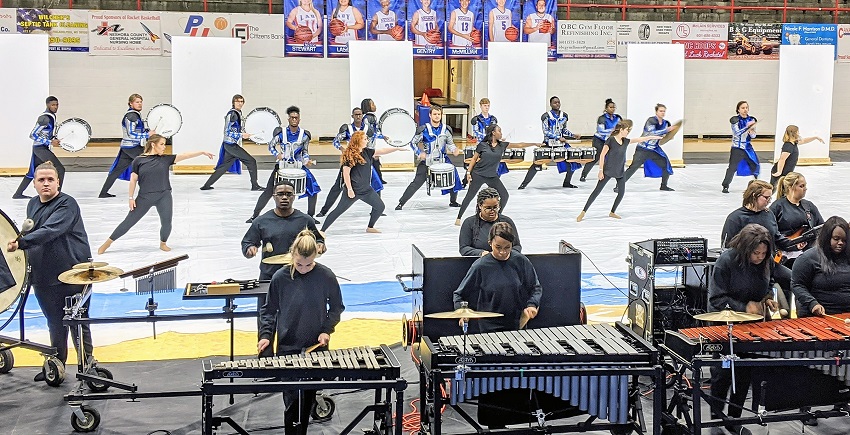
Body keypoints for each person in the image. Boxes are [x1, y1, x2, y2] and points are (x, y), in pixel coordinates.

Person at [6, 162, 95, 380]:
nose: (46, 183)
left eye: (50, 180)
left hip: (73, 273)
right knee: (54, 322)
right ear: (34, 184)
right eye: (41, 180)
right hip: (44, 275)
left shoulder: (67, 204)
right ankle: (57, 364)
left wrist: (22, 243)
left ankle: (89, 368)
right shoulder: (33, 204)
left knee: (78, 322)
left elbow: (51, 230)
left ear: (58, 182)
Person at [257, 230, 344, 435]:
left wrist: (326, 331)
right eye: (299, 264)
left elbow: (337, 307)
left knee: (306, 399)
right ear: (292, 255)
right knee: (291, 402)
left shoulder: (325, 275)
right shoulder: (280, 277)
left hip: (315, 346)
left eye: (309, 264)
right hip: (287, 345)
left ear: (315, 258)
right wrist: (266, 336)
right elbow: (268, 310)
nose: (304, 269)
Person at [242, 180, 325, 357]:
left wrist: (320, 245)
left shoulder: (305, 220)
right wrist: (250, 249)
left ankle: (295, 358)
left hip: (299, 277)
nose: (285, 197)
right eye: (281, 194)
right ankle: (266, 360)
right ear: (274, 196)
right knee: (267, 319)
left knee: (298, 319)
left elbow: (318, 239)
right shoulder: (262, 221)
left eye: (288, 194)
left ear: (294, 197)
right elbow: (247, 241)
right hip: (269, 277)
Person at [706, 223, 778, 431]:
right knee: (723, 374)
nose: (760, 257)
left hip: (753, 326)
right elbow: (716, 299)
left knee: (745, 372)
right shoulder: (726, 261)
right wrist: (744, 307)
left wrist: (768, 298)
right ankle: (716, 419)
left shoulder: (766, 261)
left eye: (764, 253)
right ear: (746, 249)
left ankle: (734, 419)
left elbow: (770, 281)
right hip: (725, 325)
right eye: (756, 253)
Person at [98, 135, 214, 254]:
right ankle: (107, 243)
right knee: (129, 222)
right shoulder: (139, 160)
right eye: (162, 144)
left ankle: (163, 243)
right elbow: (133, 180)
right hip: (144, 197)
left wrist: (201, 152)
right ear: (153, 144)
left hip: (164, 196)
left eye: (165, 144)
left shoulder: (165, 159)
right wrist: (131, 198)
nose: (164, 147)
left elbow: (185, 155)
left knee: (166, 222)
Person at [721, 179, 801, 312]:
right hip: (745, 267)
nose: (769, 202)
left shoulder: (768, 214)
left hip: (769, 264)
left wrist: (795, 244)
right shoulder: (735, 218)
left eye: (770, 198)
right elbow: (728, 250)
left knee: (797, 281)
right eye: (766, 198)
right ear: (754, 196)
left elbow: (777, 238)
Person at [576, 120, 661, 221]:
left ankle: (612, 212)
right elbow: (602, 155)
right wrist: (600, 170)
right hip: (608, 170)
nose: (627, 132)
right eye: (626, 130)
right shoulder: (611, 140)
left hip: (620, 172)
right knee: (596, 191)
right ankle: (583, 212)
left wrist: (652, 137)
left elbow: (639, 139)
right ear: (621, 130)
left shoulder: (625, 141)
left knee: (621, 193)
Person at [248, 106, 320, 223]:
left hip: (298, 165)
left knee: (313, 189)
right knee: (268, 191)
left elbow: (305, 152)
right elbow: (271, 146)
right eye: (292, 117)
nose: (294, 120)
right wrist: (277, 154)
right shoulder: (281, 134)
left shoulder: (304, 135)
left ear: (299, 119)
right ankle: (255, 216)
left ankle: (310, 216)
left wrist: (306, 160)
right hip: (282, 165)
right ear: (288, 119)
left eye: (296, 118)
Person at [321, 131, 402, 233]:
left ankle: (370, 227)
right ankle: (322, 230)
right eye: (365, 139)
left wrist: (397, 148)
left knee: (380, 206)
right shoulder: (349, 155)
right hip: (353, 191)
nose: (367, 140)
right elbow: (346, 173)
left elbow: (382, 150)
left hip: (366, 190)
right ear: (358, 141)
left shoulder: (367, 152)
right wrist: (349, 189)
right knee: (338, 211)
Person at [456, 125, 535, 225]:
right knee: (470, 196)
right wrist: (468, 173)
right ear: (493, 133)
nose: (501, 133)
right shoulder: (483, 145)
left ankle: (497, 216)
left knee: (505, 195)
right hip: (478, 174)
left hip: (492, 176)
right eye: (499, 131)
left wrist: (534, 143)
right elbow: (474, 159)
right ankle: (459, 218)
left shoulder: (502, 145)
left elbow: (519, 145)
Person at [317, 107, 382, 218]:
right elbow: (335, 141)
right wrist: (342, 149)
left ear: (362, 115)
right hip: (350, 160)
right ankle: (324, 210)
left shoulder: (368, 129)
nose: (358, 116)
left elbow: (372, 140)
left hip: (364, 160)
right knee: (338, 186)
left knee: (375, 182)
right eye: (356, 114)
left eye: (360, 114)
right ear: (352, 116)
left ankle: (377, 208)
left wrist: (372, 153)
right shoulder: (347, 128)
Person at [396, 106, 462, 210]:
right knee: (416, 182)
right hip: (427, 160)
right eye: (435, 114)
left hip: (443, 159)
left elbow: (450, 144)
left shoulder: (446, 130)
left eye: (439, 114)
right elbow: (413, 143)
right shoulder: (424, 129)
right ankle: (401, 203)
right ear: (430, 115)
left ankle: (453, 201)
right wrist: (419, 152)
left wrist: (454, 150)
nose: (437, 116)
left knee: (455, 178)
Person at [200, 95, 262, 192]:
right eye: (238, 101)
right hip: (231, 146)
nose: (240, 103)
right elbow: (227, 132)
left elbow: (236, 129)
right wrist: (241, 135)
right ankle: (255, 186)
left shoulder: (237, 113)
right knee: (251, 161)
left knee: (223, 167)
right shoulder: (233, 114)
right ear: (233, 102)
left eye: (242, 101)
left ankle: (206, 185)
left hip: (230, 145)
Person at [791, 216, 850, 317]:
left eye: (844, 240)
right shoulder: (808, 258)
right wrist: (812, 304)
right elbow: (797, 285)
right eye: (836, 239)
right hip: (820, 317)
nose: (840, 243)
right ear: (827, 237)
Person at [518, 96, 581, 190]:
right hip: (548, 143)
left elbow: (563, 129)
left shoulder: (564, 116)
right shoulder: (546, 116)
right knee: (537, 163)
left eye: (558, 102)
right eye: (555, 102)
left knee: (572, 161)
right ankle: (524, 184)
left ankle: (567, 182)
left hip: (561, 144)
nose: (557, 104)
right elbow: (546, 131)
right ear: (550, 104)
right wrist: (558, 137)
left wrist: (572, 135)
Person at [99, 94, 154, 198]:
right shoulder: (131, 116)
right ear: (130, 103)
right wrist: (147, 134)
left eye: (141, 102)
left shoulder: (135, 115)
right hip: (132, 148)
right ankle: (149, 192)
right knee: (147, 166)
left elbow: (137, 130)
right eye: (137, 102)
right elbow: (131, 133)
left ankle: (103, 192)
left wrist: (147, 131)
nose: (140, 104)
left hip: (128, 148)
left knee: (117, 171)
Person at [13, 97, 65, 199]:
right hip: (40, 148)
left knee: (32, 172)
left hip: (41, 147)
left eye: (57, 105)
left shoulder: (51, 117)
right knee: (60, 169)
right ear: (47, 105)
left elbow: (46, 133)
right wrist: (49, 141)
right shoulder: (44, 118)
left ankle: (17, 194)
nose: (55, 107)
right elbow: (32, 134)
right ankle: (57, 195)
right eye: (53, 105)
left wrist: (54, 139)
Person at [770, 172, 824, 269]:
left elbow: (821, 226)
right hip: (784, 254)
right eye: (801, 186)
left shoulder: (809, 206)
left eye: (805, 185)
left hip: (807, 251)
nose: (805, 189)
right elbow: (771, 231)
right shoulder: (777, 207)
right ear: (791, 187)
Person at [621, 103, 675, 191]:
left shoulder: (666, 123)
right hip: (643, 149)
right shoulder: (651, 121)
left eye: (664, 111)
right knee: (633, 167)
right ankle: (619, 186)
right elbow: (652, 132)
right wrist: (666, 130)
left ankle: (663, 185)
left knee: (665, 164)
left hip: (654, 149)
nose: (662, 113)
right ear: (656, 112)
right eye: (660, 111)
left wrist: (669, 135)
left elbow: (665, 138)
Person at [458, 187, 522, 255]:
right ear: (480, 206)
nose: (492, 211)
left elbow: (517, 246)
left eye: (495, 207)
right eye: (488, 208)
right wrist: (481, 253)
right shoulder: (469, 223)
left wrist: (505, 254)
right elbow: (464, 248)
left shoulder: (507, 221)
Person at [579, 98, 622, 182]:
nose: (612, 109)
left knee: (612, 157)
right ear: (606, 108)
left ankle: (609, 175)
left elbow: (621, 128)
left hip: (610, 140)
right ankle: (583, 175)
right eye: (610, 107)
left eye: (614, 107)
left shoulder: (617, 118)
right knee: (595, 157)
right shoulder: (602, 118)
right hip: (599, 140)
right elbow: (601, 131)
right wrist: (612, 131)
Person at [721, 101, 759, 194]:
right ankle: (725, 185)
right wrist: (747, 127)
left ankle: (755, 185)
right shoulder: (735, 120)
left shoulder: (752, 119)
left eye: (746, 107)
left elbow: (754, 135)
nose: (745, 109)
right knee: (732, 168)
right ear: (738, 109)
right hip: (737, 148)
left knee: (755, 165)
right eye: (742, 108)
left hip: (748, 147)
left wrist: (752, 133)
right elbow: (737, 133)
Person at [360, 98, 386, 184]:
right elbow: (369, 133)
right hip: (368, 146)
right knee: (372, 164)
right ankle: (376, 180)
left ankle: (378, 179)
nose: (375, 106)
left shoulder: (372, 117)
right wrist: (383, 136)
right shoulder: (367, 118)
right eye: (372, 104)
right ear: (368, 107)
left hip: (371, 145)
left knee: (375, 163)